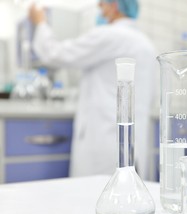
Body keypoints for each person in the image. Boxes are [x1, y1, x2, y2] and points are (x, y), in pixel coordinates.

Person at [29, 0, 157, 179]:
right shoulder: (147, 45)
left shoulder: (108, 35)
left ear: (114, 6)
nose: (99, 10)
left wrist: (40, 22)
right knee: (129, 198)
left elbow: (54, 54)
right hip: (135, 144)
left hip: (104, 141)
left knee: (95, 198)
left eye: (102, 5)